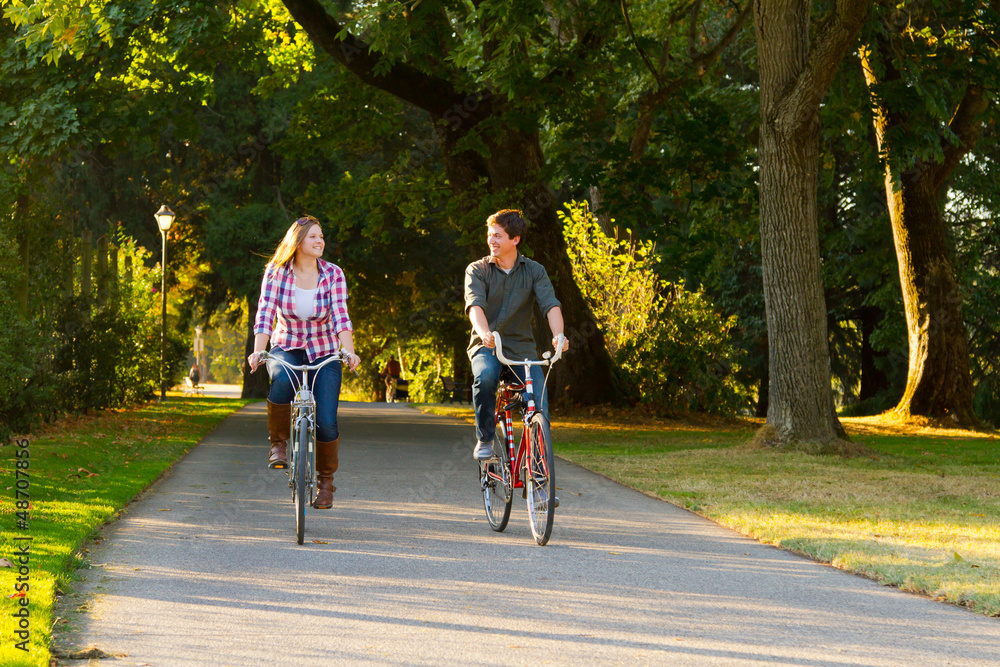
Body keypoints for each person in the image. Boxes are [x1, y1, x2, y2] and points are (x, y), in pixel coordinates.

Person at [247, 215, 361, 509]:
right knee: (282, 380)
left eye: (321, 236)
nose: (320, 241)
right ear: (297, 242)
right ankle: (279, 443)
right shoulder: (276, 272)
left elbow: (340, 316)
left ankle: (325, 483)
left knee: (326, 420)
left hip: (324, 349)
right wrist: (259, 351)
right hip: (287, 344)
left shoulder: (333, 274)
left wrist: (348, 351)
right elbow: (265, 314)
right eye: (313, 237)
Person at [463, 209, 569, 463]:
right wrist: (485, 333)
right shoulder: (477, 270)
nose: (492, 241)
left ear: (515, 239)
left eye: (498, 236)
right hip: (486, 346)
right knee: (486, 376)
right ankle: (485, 438)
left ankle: (539, 470)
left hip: (521, 350)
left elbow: (551, 305)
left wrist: (559, 336)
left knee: (538, 402)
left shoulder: (534, 271)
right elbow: (475, 307)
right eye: (490, 235)